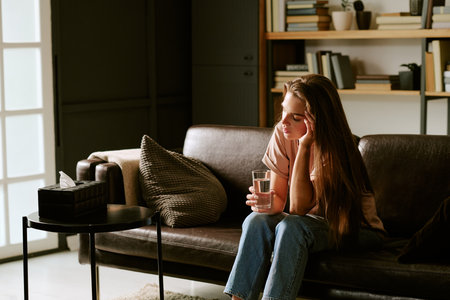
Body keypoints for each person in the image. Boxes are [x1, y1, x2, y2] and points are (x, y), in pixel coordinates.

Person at [223, 74, 386, 300]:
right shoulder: (282, 132)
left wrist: (305, 146)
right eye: (284, 112)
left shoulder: (337, 147)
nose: (283, 122)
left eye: (296, 117)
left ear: (317, 120)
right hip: (310, 223)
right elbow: (281, 201)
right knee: (256, 220)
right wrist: (267, 203)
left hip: (357, 229)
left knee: (291, 227)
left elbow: (298, 209)